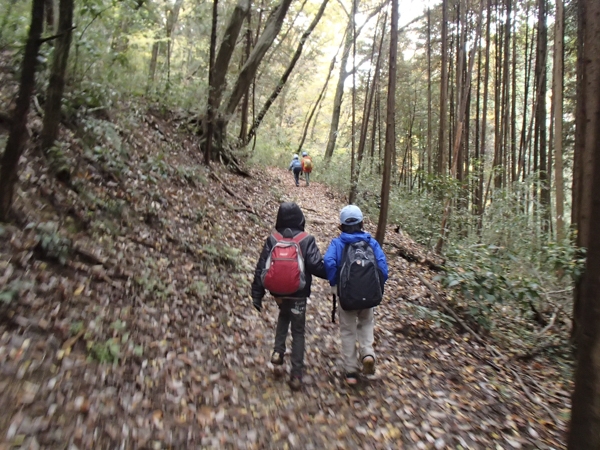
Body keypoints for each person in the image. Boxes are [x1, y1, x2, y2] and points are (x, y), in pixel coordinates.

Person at [251, 202, 327, 391]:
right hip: (298, 294)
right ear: (301, 218)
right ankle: (296, 375)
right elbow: (317, 266)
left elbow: (261, 266)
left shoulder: (273, 239)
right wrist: (334, 273)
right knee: (298, 332)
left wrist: (257, 295)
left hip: (278, 292)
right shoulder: (306, 239)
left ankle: (278, 352)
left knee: (283, 317)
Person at [324, 205, 388, 386]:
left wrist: (335, 283)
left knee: (347, 330)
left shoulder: (338, 243)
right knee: (367, 323)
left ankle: (351, 371)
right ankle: (367, 353)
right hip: (368, 294)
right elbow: (383, 268)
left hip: (346, 296)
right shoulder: (371, 243)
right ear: (362, 223)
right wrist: (378, 286)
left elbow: (328, 261)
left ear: (341, 225)